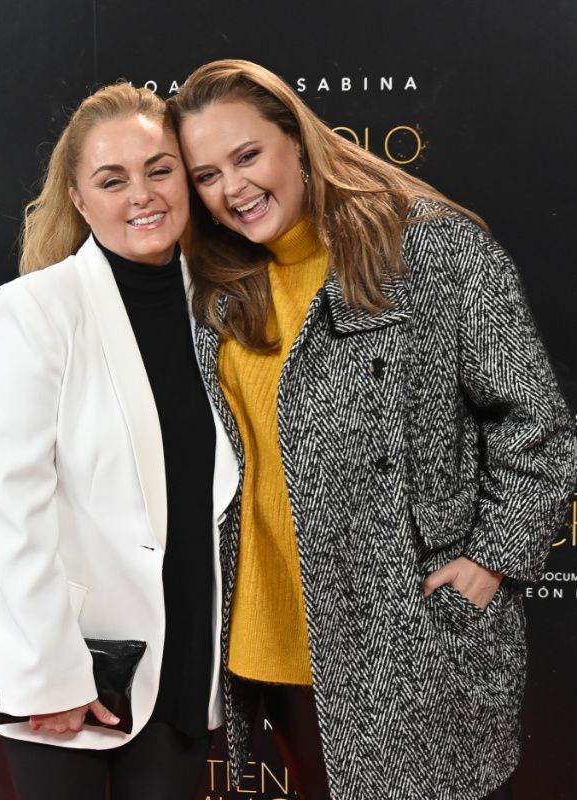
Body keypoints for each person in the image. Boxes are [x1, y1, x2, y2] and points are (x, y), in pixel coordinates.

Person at [168, 59, 576, 800]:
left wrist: (491, 563)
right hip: (271, 640)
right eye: (206, 175)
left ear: (296, 138)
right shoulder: (215, 289)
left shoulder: (431, 251)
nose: (232, 188)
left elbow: (537, 426)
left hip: (411, 644)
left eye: (248, 155)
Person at [0, 83, 239, 800]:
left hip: (182, 659)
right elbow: (12, 506)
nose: (141, 194)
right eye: (112, 180)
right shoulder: (36, 309)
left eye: (159, 169)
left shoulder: (224, 305)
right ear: (79, 199)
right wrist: (50, 672)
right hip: (66, 656)